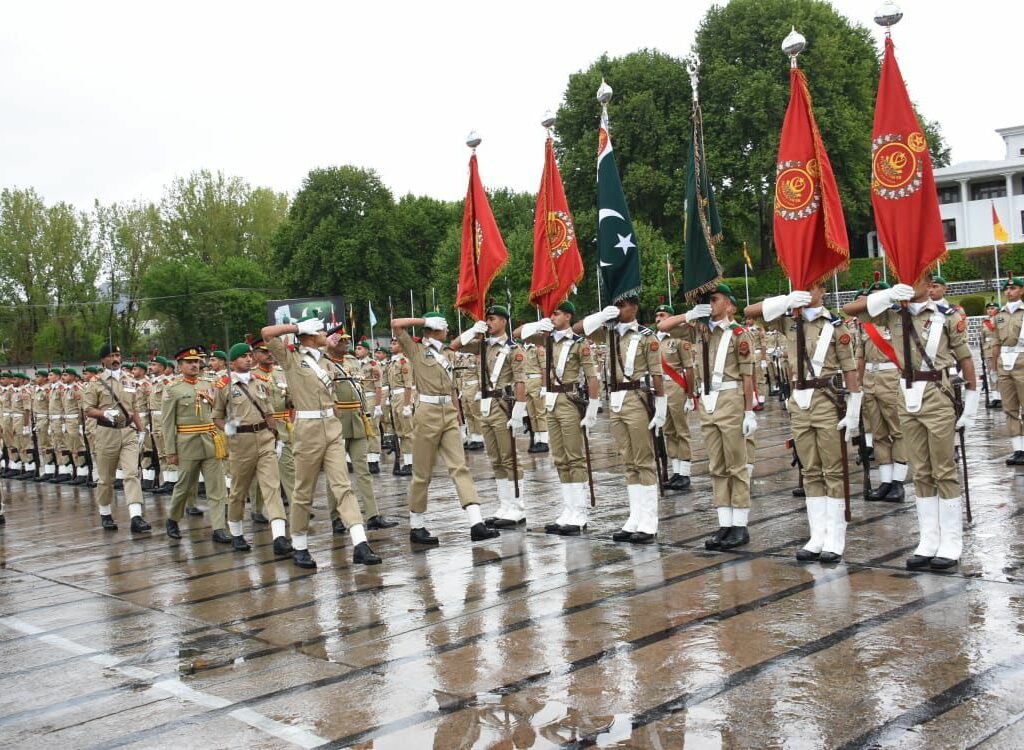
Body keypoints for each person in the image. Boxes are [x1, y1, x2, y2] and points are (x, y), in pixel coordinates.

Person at [843, 276, 978, 570]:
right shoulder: (893, 312)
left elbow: (965, 357)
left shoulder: (947, 316)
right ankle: (929, 540)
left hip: (937, 393)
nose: (911, 285)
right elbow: (850, 310)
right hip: (905, 393)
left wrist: (972, 398)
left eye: (917, 280)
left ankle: (951, 542)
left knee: (943, 468)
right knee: (921, 470)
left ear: (929, 284)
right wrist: (889, 294)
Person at [747, 282, 861, 564]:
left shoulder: (835, 325)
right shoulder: (790, 321)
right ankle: (817, 535)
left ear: (823, 291)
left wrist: (855, 407)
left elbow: (849, 369)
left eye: (813, 288)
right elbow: (750, 311)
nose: (809, 293)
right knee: (810, 470)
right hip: (800, 401)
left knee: (833, 470)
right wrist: (785, 299)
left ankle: (835, 537)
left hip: (828, 399)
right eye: (804, 288)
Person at [261, 317, 382, 568]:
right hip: (307, 430)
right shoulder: (291, 358)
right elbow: (266, 334)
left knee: (343, 485)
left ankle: (360, 543)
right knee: (303, 491)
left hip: (332, 427)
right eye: (320, 331)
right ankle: (300, 545)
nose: (326, 334)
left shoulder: (325, 361)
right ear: (309, 335)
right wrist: (296, 328)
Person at [660, 284, 757, 550]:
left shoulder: (740, 334)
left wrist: (749, 411)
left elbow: (748, 377)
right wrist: (691, 313)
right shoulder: (699, 329)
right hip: (708, 402)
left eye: (714, 299)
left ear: (728, 304)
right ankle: (724, 523)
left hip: (731, 400)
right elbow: (664, 327)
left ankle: (740, 525)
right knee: (716, 466)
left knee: (736, 465)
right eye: (707, 300)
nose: (710, 304)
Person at [391, 311, 501, 544]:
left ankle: (476, 523)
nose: (447, 329)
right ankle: (416, 526)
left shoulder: (446, 352)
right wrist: (423, 321)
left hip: (448, 413)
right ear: (433, 329)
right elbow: (397, 324)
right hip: (426, 414)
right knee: (422, 474)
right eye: (443, 326)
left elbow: (455, 346)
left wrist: (473, 331)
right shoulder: (415, 349)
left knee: (459, 467)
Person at [574, 295, 666, 544]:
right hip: (614, 399)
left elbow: (657, 373)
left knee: (643, 459)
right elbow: (577, 330)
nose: (618, 310)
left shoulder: (647, 336)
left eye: (623, 305)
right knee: (628, 461)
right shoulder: (609, 332)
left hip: (637, 397)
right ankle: (635, 517)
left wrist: (661, 406)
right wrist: (603, 315)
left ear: (634, 307)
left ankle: (649, 520)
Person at [515, 300, 600, 534]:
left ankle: (580, 512)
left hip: (569, 401)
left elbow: (592, 376)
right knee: (560, 458)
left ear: (569, 317)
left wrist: (593, 407)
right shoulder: (547, 340)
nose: (552, 317)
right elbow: (516, 334)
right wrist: (535, 325)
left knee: (574, 456)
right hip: (550, 401)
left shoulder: (579, 344)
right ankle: (568, 509)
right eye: (551, 313)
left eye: (557, 313)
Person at [450, 304, 529, 527]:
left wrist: (518, 413)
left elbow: (521, 381)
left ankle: (517, 506)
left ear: (504, 321)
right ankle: (504, 505)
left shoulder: (514, 349)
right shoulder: (482, 345)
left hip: (503, 404)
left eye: (493, 319)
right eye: (488, 319)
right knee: (495, 459)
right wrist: (472, 331)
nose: (490, 322)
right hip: (485, 404)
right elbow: (453, 347)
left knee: (509, 457)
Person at [212, 342, 292, 556]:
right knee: (238, 491)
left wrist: (277, 438)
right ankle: (237, 533)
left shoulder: (261, 383)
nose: (249, 359)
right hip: (241, 442)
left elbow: (268, 413)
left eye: (250, 355)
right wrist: (228, 428)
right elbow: (217, 417)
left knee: (272, 487)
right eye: (243, 356)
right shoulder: (223, 386)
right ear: (232, 362)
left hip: (264, 438)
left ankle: (279, 537)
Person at [323, 333, 398, 533]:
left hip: (356, 418)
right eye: (342, 341)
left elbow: (360, 387)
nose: (347, 343)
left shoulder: (352, 361)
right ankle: (336, 517)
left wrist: (366, 411)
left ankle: (372, 515)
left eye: (348, 341)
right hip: (337, 420)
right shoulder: (323, 361)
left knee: (363, 470)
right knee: (337, 473)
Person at [162, 346, 235, 545]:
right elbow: (167, 423)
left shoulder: (210, 384)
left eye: (196, 362)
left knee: (217, 487)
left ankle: (219, 527)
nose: (195, 365)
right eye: (189, 362)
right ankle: (173, 519)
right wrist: (170, 452)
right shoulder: (173, 389)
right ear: (180, 366)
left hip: (211, 440)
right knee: (184, 486)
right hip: (187, 444)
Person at [81, 344, 151, 533]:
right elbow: (87, 409)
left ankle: (136, 516)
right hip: (106, 433)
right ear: (103, 360)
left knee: (131, 473)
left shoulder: (129, 380)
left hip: (127, 432)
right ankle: (105, 513)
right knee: (105, 478)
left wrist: (141, 429)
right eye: (111, 355)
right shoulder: (95, 382)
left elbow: (133, 408)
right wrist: (103, 413)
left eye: (118, 355)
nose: (116, 359)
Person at [851, 277, 907, 502]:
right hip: (871, 380)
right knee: (878, 433)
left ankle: (898, 482)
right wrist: (859, 384)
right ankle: (885, 481)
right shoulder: (866, 323)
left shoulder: (897, 319)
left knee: (898, 431)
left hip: (891, 377)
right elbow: (860, 356)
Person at [654, 303, 694, 490]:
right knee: (668, 431)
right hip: (661, 389)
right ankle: (676, 471)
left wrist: (690, 395)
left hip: (677, 387)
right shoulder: (654, 340)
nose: (658, 319)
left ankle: (685, 473)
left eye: (662, 315)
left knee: (681, 430)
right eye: (657, 316)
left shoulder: (679, 339)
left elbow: (689, 368)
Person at [991, 275, 1024, 465]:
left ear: (1021, 291)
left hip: (1022, 360)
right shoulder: (999, 316)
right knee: (1010, 408)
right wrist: (994, 368)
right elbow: (995, 343)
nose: (1009, 292)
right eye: (1007, 289)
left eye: (1013, 289)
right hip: (1005, 363)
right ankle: (1018, 449)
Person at [385, 337, 414, 476]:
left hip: (403, 397)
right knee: (400, 432)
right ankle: (406, 461)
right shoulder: (392, 363)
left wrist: (407, 405)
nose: (391, 345)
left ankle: (411, 463)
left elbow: (408, 385)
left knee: (408, 431)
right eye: (391, 343)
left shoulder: (404, 362)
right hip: (394, 398)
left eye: (395, 343)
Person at [981, 302, 1002, 408]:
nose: (990, 310)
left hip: (1001, 350)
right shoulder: (984, 323)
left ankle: (1003, 397)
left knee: (1003, 375)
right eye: (988, 308)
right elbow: (982, 339)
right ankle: (996, 398)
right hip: (989, 352)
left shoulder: (1001, 319)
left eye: (992, 308)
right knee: (992, 374)